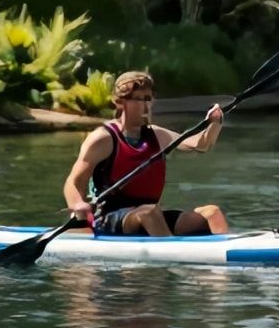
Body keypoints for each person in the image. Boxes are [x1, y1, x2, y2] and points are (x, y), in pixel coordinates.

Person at [64, 71, 228, 236]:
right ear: (120, 102)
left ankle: (228, 248)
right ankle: (169, 250)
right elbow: (73, 182)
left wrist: (215, 123)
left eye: (148, 99)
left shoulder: (156, 135)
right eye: (138, 99)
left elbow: (201, 144)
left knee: (212, 213)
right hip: (108, 218)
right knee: (149, 213)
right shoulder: (104, 138)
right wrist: (77, 204)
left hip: (150, 216)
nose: (145, 105)